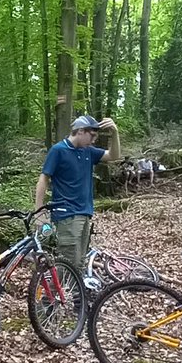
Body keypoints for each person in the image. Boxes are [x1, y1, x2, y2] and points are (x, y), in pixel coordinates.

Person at [35, 114, 121, 270]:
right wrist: (39, 212)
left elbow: (114, 155)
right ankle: (56, 294)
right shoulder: (58, 150)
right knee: (68, 263)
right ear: (80, 131)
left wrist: (115, 133)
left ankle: (76, 294)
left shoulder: (87, 151)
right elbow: (43, 179)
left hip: (85, 213)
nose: (94, 140)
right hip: (67, 214)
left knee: (80, 262)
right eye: (92, 135)